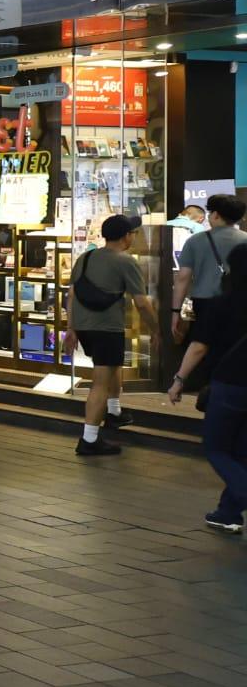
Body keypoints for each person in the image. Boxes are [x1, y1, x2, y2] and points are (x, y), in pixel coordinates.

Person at [71, 214, 158, 456]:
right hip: (107, 327)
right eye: (133, 233)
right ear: (126, 236)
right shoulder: (125, 261)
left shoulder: (85, 257)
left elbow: (71, 294)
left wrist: (70, 328)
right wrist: (156, 329)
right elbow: (141, 302)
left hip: (85, 326)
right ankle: (89, 439)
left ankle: (114, 412)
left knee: (111, 367)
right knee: (99, 382)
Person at [175, 242, 247, 533]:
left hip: (229, 384)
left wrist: (179, 379)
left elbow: (199, 347)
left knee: (216, 448)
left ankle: (237, 499)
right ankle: (228, 512)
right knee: (242, 451)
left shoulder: (221, 304)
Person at [170, 193, 247, 411]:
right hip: (241, 304)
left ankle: (212, 396)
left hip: (205, 303)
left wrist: (175, 311)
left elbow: (183, 278)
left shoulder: (196, 241)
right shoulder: (245, 240)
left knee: (206, 350)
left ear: (215, 215)